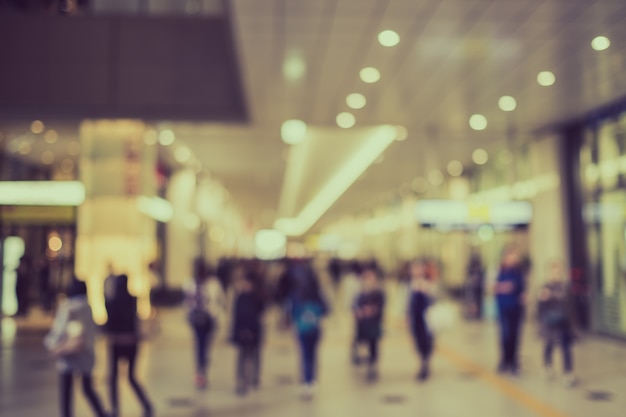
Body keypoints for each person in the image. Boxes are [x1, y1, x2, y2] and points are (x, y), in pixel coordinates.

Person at [44, 278, 109, 417]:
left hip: (70, 355)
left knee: (66, 390)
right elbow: (94, 331)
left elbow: (60, 330)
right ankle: (101, 413)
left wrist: (52, 344)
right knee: (87, 387)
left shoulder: (69, 307)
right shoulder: (88, 306)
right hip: (86, 354)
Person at [104, 274, 153, 417]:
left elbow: (109, 323)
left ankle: (114, 409)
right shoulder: (132, 299)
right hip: (131, 343)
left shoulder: (114, 302)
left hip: (117, 343)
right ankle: (146, 404)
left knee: (113, 378)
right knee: (131, 377)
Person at [184, 263, 226, 389]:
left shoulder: (190, 283)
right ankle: (202, 370)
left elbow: (186, 302)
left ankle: (200, 371)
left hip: (197, 319)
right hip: (209, 319)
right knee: (205, 345)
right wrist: (215, 313)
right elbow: (221, 301)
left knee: (199, 345)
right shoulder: (214, 284)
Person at [290, 263, 328, 399]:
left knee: (305, 355)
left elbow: (292, 311)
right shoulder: (318, 292)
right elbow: (326, 309)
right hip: (315, 328)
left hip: (302, 329)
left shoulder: (297, 292)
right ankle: (312, 380)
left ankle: (306, 381)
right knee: (313, 354)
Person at [537, 261, 576, 387]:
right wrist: (543, 298)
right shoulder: (544, 287)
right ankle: (548, 366)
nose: (555, 275)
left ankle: (568, 372)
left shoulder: (565, 287)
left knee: (566, 347)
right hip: (549, 323)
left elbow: (569, 304)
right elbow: (540, 306)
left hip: (563, 322)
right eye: (553, 272)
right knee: (549, 345)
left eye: (558, 272)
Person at [230, 272, 265, 396]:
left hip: (254, 331)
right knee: (242, 356)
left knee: (254, 355)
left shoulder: (257, 297)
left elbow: (260, 314)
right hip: (241, 331)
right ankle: (241, 381)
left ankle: (254, 377)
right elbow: (235, 316)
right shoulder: (239, 296)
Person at [494, 245, 527, 375]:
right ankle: (505, 360)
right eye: (511, 255)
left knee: (515, 335)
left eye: (515, 256)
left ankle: (514, 362)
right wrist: (503, 287)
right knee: (504, 335)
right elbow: (494, 287)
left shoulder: (519, 272)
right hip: (503, 308)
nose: (513, 258)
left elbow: (521, 290)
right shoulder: (500, 271)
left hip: (516, 308)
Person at [352, 265, 385, 380]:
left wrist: (371, 311)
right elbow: (354, 305)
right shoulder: (360, 292)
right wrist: (359, 312)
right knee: (361, 343)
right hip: (362, 324)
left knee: (373, 345)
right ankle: (363, 360)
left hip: (373, 324)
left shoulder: (378, 292)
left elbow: (380, 308)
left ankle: (372, 365)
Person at [407, 260, 436, 381]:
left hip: (428, 319)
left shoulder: (429, 283)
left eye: (419, 268)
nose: (417, 271)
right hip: (415, 318)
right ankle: (423, 361)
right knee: (418, 341)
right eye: (414, 269)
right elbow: (407, 303)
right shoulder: (409, 285)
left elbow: (435, 299)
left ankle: (425, 364)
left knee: (427, 341)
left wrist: (426, 291)